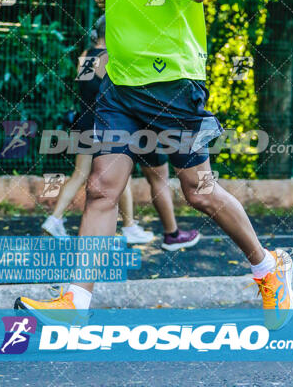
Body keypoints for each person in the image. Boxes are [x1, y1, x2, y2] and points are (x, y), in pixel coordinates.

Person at [16, 0, 293, 331]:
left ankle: (268, 267)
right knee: (102, 188)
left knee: (199, 192)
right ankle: (76, 301)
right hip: (121, 85)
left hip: (172, 82)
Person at [42, 15, 199, 249]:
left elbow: (85, 87)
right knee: (116, 175)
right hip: (102, 123)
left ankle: (57, 220)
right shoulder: (108, 58)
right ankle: (127, 227)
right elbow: (119, 93)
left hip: (84, 121)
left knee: (83, 175)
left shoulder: (86, 55)